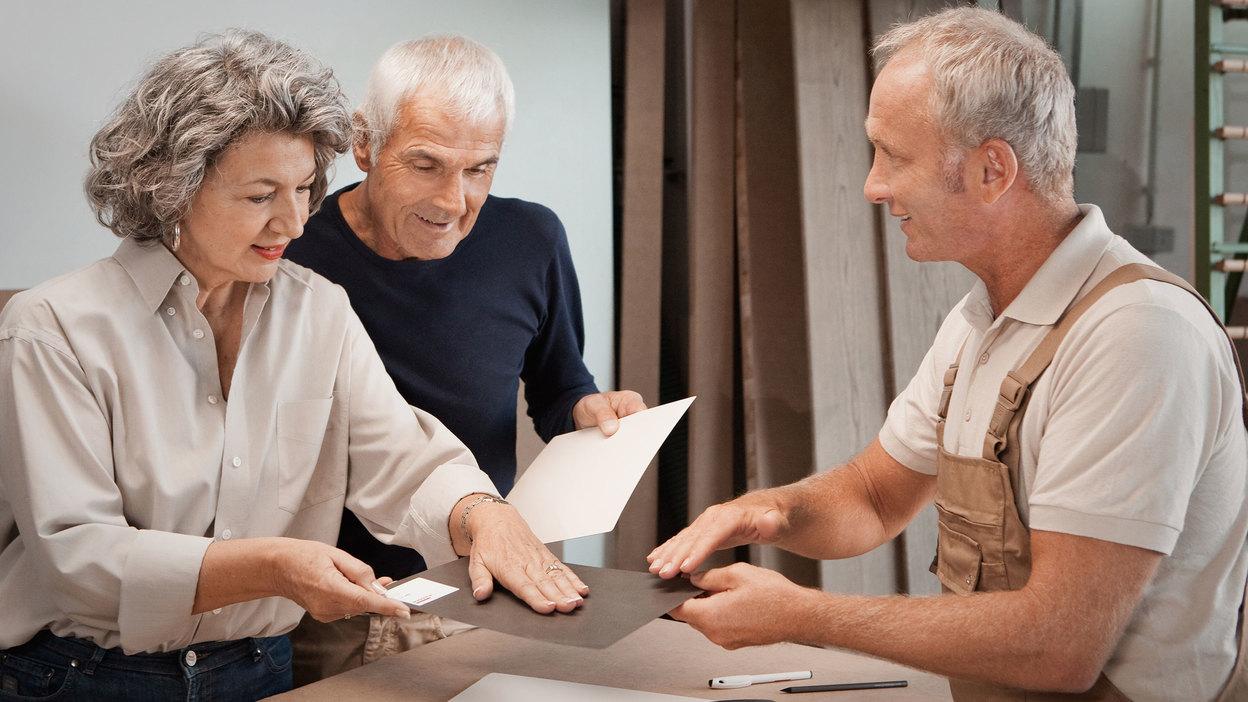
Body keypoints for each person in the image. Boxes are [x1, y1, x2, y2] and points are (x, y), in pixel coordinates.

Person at [648, 8, 1248, 701]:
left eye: (894, 156)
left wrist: (803, 616)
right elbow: (875, 497)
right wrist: (771, 511)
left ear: (993, 170)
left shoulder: (1136, 334)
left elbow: (1059, 645)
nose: (873, 186)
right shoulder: (982, 320)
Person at [0, 30, 587, 701]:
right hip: (83, 677)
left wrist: (481, 512)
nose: (294, 222)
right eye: (260, 196)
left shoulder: (318, 310)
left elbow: (402, 459)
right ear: (172, 188)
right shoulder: (52, 329)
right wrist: (275, 567)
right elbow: (78, 558)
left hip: (260, 670)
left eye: (305, 189)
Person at [284, 35, 645, 682]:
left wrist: (589, 412)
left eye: (480, 169)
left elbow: (561, 388)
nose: (454, 201)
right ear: (365, 144)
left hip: (473, 593)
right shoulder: (290, 253)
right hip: (322, 608)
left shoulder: (531, 240)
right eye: (426, 165)